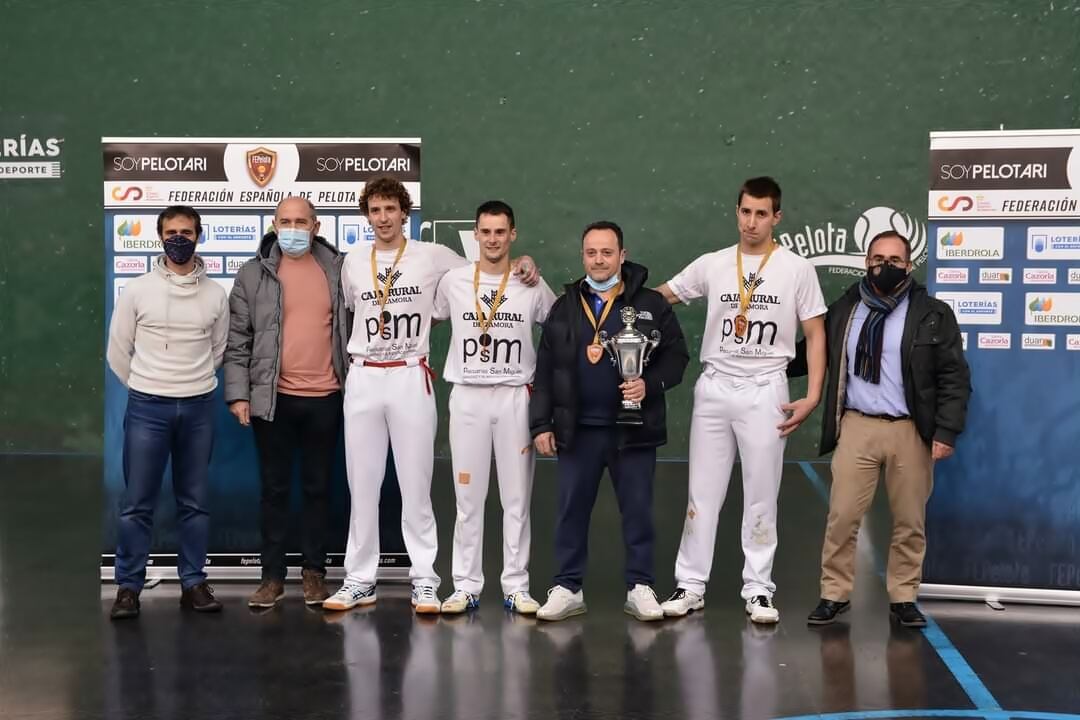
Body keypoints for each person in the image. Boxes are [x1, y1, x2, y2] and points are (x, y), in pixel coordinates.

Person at [325, 176, 539, 614]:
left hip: (410, 376)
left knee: (415, 485)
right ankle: (359, 579)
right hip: (364, 375)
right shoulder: (352, 261)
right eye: (375, 210)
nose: (383, 218)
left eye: (391, 209)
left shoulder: (435, 256)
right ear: (367, 215)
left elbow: (481, 279)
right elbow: (354, 308)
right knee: (361, 486)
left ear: (405, 212)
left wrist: (524, 263)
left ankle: (425, 580)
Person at [655, 176, 827, 624]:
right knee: (702, 494)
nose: (752, 222)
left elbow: (815, 332)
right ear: (737, 211)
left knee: (761, 496)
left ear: (777, 217)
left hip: (766, 389)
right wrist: (610, 296)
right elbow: (664, 297)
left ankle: (758, 590)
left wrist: (812, 395)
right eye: (746, 212)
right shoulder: (714, 264)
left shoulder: (795, 268)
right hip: (715, 388)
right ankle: (690, 586)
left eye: (762, 214)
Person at [794, 230, 970, 628]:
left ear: (909, 265)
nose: (884, 266)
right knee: (841, 516)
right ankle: (834, 594)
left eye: (893, 260)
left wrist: (946, 432)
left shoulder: (932, 313)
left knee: (909, 520)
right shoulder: (846, 308)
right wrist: (764, 363)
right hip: (857, 425)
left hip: (910, 430)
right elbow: (812, 350)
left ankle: (903, 597)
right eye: (877, 258)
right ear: (866, 262)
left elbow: (954, 378)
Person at [530, 220, 689, 622]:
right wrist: (541, 425)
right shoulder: (564, 306)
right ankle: (567, 587)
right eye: (591, 252)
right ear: (582, 255)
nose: (599, 260)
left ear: (623, 254)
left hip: (633, 431)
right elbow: (545, 370)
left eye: (607, 252)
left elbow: (677, 358)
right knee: (570, 511)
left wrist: (648, 385)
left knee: (638, 510)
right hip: (577, 431)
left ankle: (641, 586)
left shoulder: (651, 304)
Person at [224, 197, 350, 609]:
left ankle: (314, 574)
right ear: (274, 224)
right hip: (272, 401)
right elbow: (238, 341)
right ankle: (272, 578)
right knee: (274, 491)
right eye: (285, 221)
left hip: (327, 398)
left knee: (318, 489)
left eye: (301, 221)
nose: (293, 227)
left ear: (316, 226)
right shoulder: (251, 274)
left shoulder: (340, 269)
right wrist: (239, 394)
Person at [432, 200, 556, 615]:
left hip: (514, 398)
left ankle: (516, 586)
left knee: (516, 500)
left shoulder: (532, 284)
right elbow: (428, 316)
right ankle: (465, 585)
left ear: (513, 235)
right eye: (485, 232)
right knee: (468, 499)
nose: (492, 239)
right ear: (476, 234)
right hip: (467, 396)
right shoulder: (453, 281)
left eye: (500, 232)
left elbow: (558, 332)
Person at [106, 205, 229, 619]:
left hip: (198, 409)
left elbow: (218, 350)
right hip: (147, 408)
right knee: (137, 503)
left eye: (187, 231)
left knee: (193, 503)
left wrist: (188, 384)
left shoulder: (215, 294)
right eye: (172, 231)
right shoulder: (137, 290)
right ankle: (128, 588)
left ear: (199, 235)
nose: (180, 238)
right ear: (160, 237)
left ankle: (193, 583)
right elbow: (118, 350)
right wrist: (151, 384)